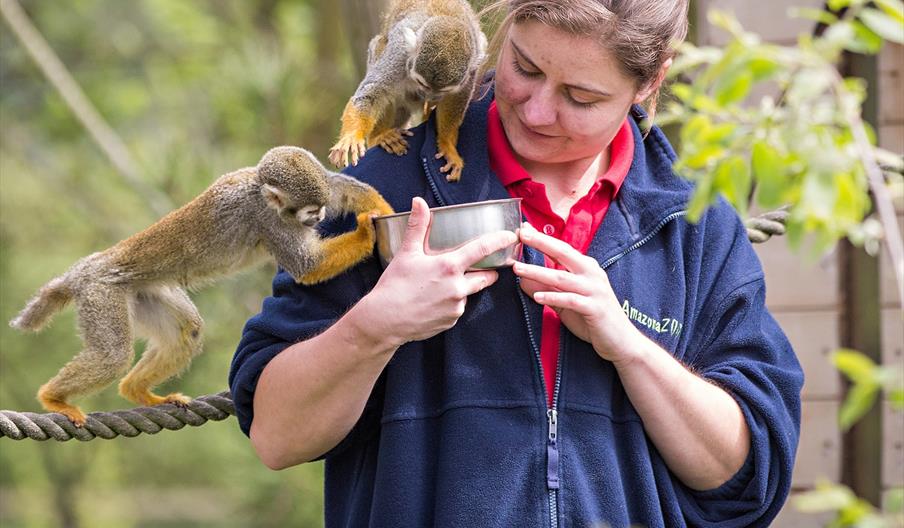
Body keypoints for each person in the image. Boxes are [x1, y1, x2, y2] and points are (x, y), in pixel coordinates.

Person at [229, 1, 804, 526]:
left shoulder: (693, 221)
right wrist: (377, 326)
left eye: (580, 98)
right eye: (524, 68)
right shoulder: (383, 189)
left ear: (648, 82)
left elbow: (744, 478)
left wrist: (628, 347)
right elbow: (276, 437)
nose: (536, 110)